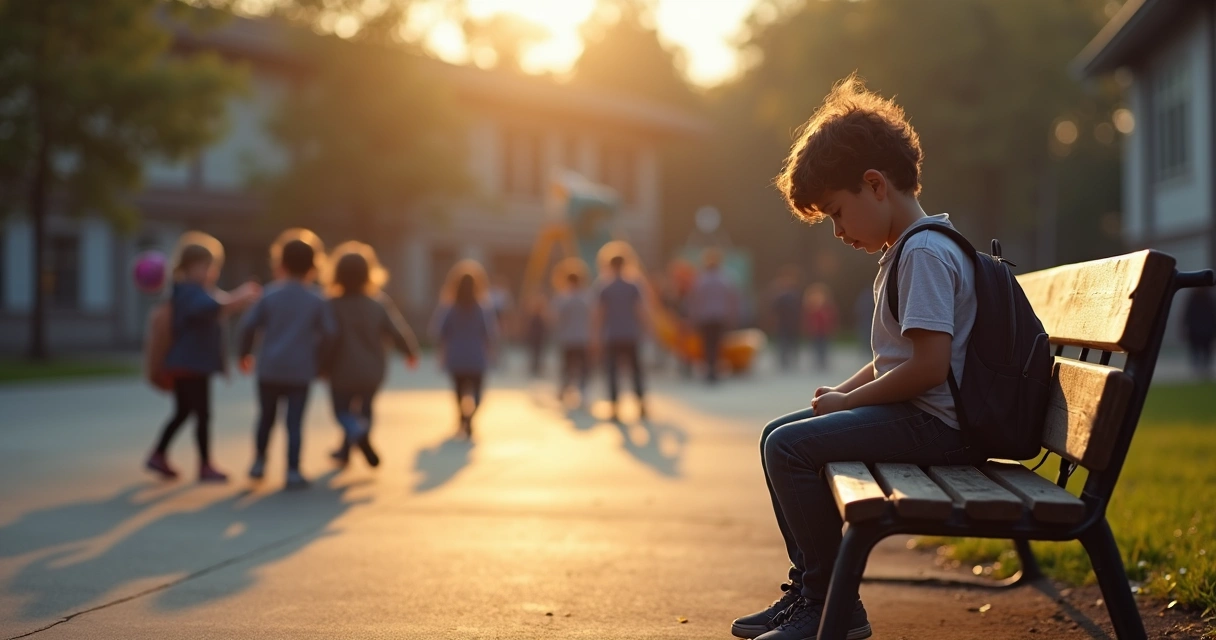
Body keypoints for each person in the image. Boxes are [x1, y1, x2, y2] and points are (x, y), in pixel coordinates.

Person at [734, 74, 980, 640]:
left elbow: (927, 368)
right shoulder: (908, 251)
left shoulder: (922, 254)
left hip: (941, 428)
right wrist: (843, 395)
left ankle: (831, 606)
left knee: (789, 446)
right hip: (930, 419)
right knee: (783, 431)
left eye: (837, 213)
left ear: (874, 184)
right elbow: (898, 357)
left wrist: (850, 402)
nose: (839, 231)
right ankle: (811, 592)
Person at [145, 232, 261, 482]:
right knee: (202, 415)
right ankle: (204, 464)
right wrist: (239, 297)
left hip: (189, 364)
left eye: (212, 267)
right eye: (206, 266)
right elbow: (211, 307)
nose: (211, 272)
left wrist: (236, 301)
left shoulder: (193, 291)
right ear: (190, 267)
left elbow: (217, 304)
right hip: (189, 365)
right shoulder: (188, 292)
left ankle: (159, 454)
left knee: (184, 412)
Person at [238, 237, 336, 490]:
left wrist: (244, 354)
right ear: (313, 266)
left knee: (266, 418)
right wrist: (321, 363)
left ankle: (259, 461)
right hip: (300, 370)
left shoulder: (269, 295)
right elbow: (330, 334)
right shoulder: (316, 299)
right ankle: (292, 470)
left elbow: (248, 327)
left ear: (280, 263)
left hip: (269, 368)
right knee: (294, 423)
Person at [323, 241, 420, 466]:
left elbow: (326, 338)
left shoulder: (331, 305)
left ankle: (354, 434)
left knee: (342, 411)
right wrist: (410, 352)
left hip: (341, 370)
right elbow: (396, 331)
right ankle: (347, 449)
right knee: (365, 409)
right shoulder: (378, 304)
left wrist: (321, 364)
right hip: (372, 370)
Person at [432, 260, 498, 440]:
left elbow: (440, 333)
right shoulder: (483, 308)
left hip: (456, 356)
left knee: (459, 392)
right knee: (477, 393)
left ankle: (462, 417)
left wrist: (441, 354)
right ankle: (470, 417)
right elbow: (489, 334)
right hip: (476, 357)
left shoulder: (449, 308)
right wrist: (491, 353)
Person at [593, 249, 648, 421]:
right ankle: (641, 405)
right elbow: (640, 310)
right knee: (635, 371)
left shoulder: (604, 287)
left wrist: (595, 335)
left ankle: (615, 408)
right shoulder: (633, 286)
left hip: (612, 335)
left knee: (612, 372)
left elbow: (599, 314)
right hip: (631, 333)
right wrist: (646, 329)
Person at [688, 248, 740, 383]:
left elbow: (695, 300)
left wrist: (693, 317)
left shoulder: (700, 280)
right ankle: (715, 370)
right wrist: (733, 316)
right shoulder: (726, 279)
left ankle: (709, 370)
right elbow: (732, 300)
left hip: (705, 318)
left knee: (707, 345)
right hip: (720, 317)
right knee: (718, 345)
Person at [551, 260, 593, 407]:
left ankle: (564, 389)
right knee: (583, 367)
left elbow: (555, 318)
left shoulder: (563, 298)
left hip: (567, 338)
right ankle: (583, 391)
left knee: (567, 366)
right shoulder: (587, 298)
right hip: (583, 337)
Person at [769, 268, 802, 372]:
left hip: (792, 322)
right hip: (783, 322)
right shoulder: (780, 296)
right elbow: (775, 309)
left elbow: (799, 308)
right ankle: (783, 361)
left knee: (792, 342)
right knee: (783, 342)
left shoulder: (795, 294)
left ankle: (791, 360)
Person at [802, 283, 838, 372]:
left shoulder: (826, 308)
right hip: (815, 331)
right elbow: (809, 320)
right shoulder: (812, 308)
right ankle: (818, 362)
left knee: (824, 346)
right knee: (816, 346)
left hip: (824, 330)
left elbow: (831, 318)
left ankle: (823, 362)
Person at [1183, 286, 1216, 378]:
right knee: (1196, 351)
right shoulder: (1195, 298)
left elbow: (1213, 315)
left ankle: (1205, 370)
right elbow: (1187, 314)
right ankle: (1198, 370)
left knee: (1206, 351)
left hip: (1206, 330)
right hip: (1196, 330)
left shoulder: (1208, 298)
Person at [523, 291, 550, 378]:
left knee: (537, 352)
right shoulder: (537, 317)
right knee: (536, 352)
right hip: (537, 337)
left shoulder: (540, 317)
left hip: (538, 337)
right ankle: (535, 367)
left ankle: (536, 367)